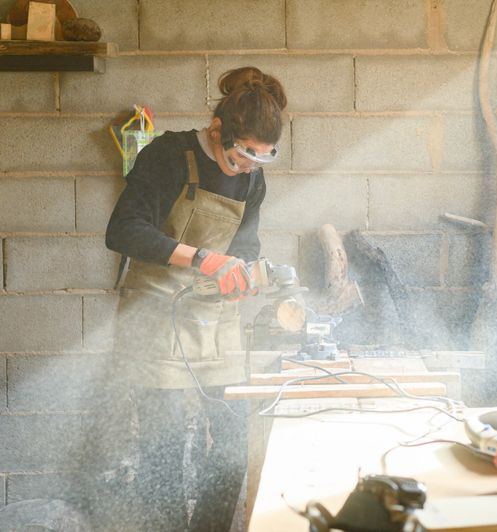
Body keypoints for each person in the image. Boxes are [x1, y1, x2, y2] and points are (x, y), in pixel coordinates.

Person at [104, 66, 287, 531]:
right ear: (217, 130)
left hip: (213, 318)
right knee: (163, 451)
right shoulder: (168, 154)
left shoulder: (251, 178)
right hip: (156, 310)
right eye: (243, 156)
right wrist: (204, 259)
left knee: (230, 444)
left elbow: (245, 245)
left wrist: (247, 275)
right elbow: (122, 230)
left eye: (260, 160)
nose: (248, 167)